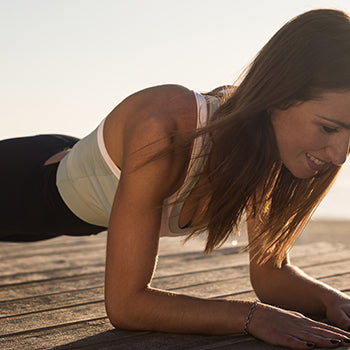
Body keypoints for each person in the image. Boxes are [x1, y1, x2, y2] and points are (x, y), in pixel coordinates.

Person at [1, 8, 350, 349]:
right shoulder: (166, 124)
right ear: (278, 96)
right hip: (22, 182)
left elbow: (271, 275)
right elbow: (126, 305)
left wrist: (334, 301)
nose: (339, 155)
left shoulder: (276, 159)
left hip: (68, 209)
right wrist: (251, 317)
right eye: (329, 128)